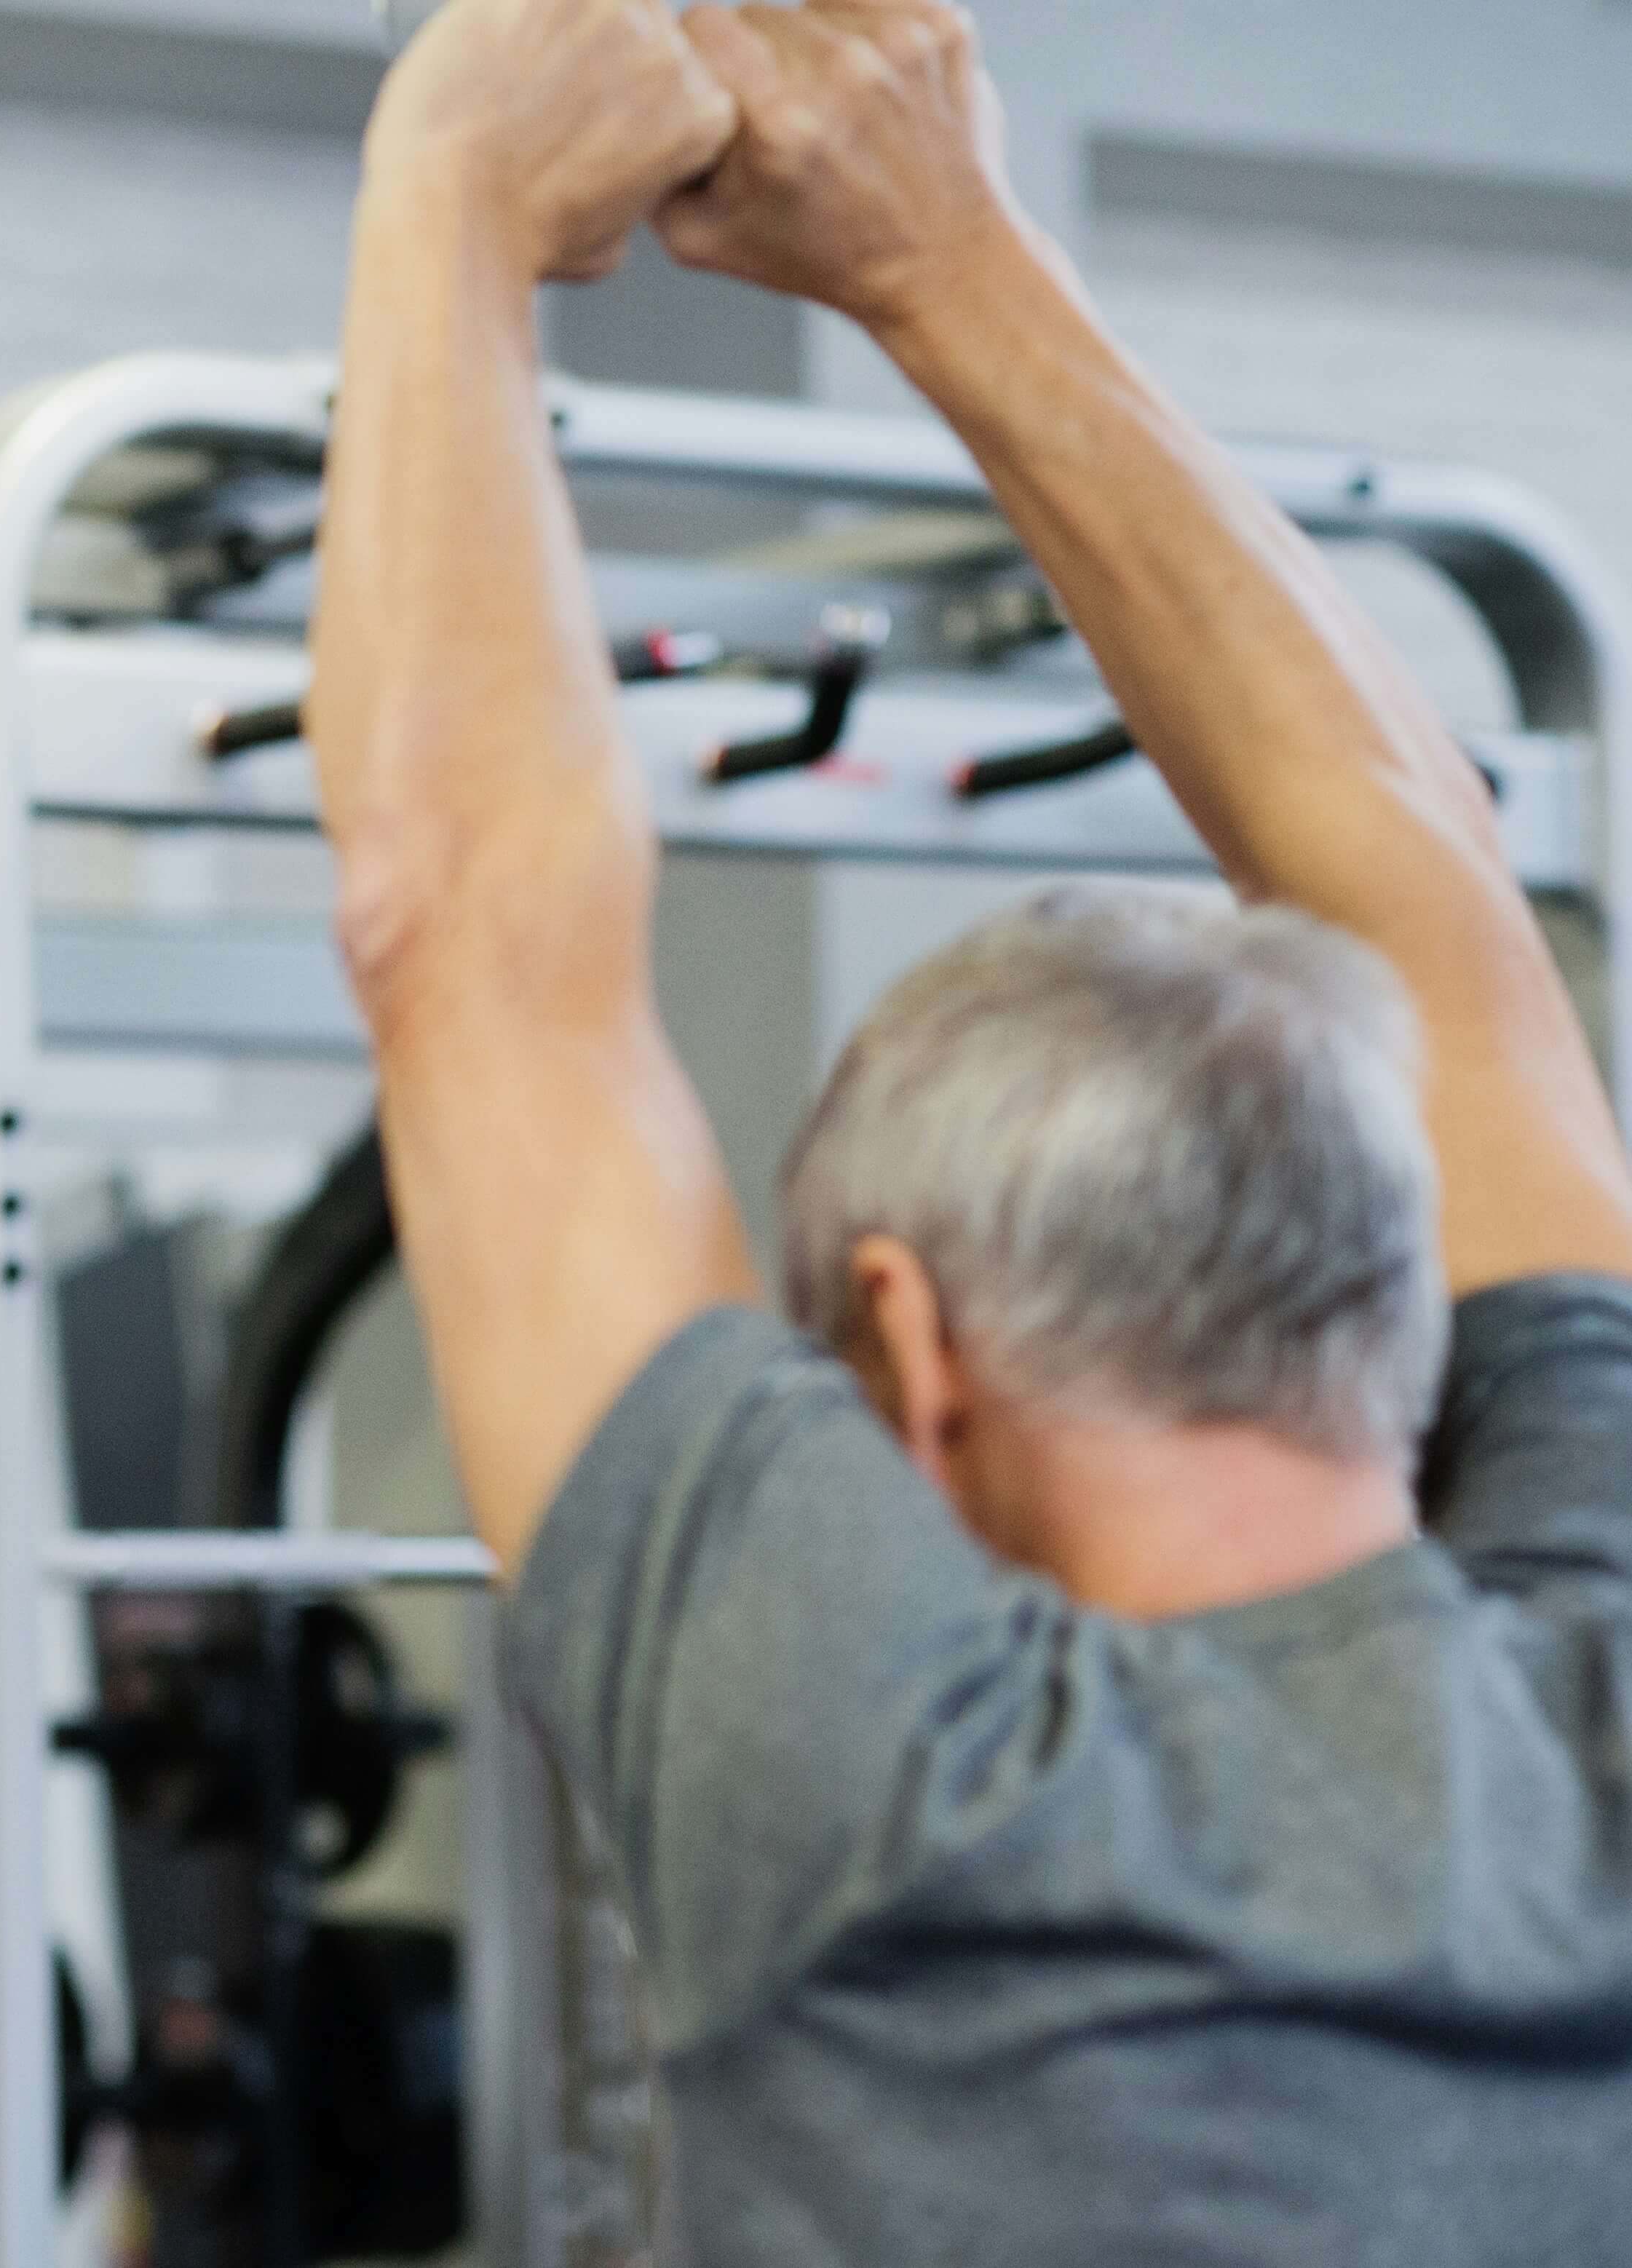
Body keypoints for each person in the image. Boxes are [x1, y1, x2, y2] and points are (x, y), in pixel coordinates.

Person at [312, 1, 1632, 2259]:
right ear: (1397, 1294)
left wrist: (449, 164)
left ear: (911, 1348)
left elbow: (472, 943)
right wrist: (949, 243)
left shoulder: (909, 1785)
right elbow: (1435, 900)